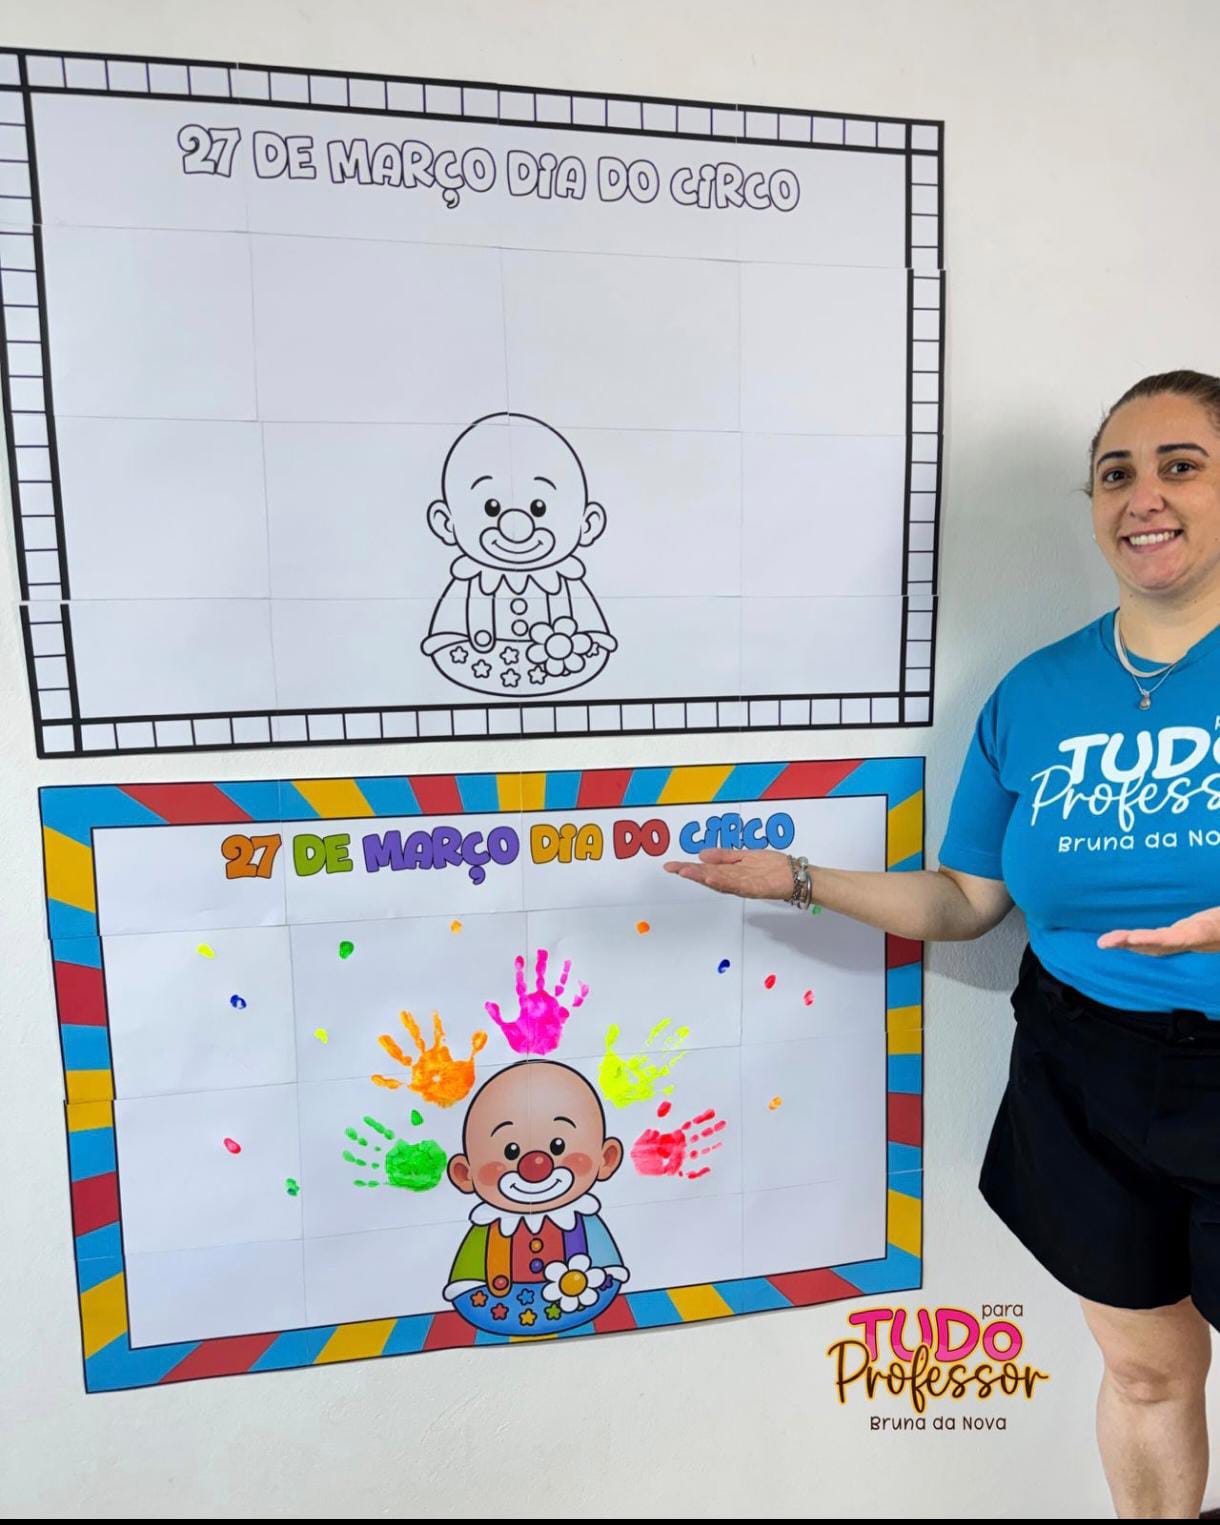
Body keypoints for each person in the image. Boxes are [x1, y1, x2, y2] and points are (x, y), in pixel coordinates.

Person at [664, 369, 1220, 1520]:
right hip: (1085, 1067)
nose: (1141, 496)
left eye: (1180, 465)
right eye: (1114, 472)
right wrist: (798, 880)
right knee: (1142, 1369)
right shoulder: (1035, 691)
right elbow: (966, 898)